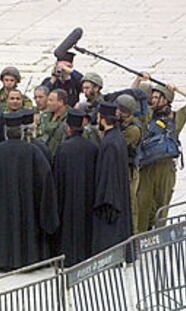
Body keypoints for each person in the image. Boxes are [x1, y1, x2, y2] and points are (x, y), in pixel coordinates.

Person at [0, 111, 59, 270]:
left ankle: (1, 260)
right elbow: (46, 181)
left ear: (5, 132)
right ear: (23, 131)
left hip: (0, 210)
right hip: (28, 211)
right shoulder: (34, 152)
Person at [137, 83, 186, 232]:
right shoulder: (147, 115)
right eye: (151, 97)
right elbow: (130, 100)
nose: (153, 100)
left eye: (157, 97)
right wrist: (139, 80)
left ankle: (158, 235)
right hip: (146, 167)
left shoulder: (176, 117)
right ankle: (140, 239)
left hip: (166, 168)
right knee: (143, 204)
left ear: (166, 100)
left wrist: (177, 89)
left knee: (162, 204)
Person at [54, 108, 98, 266]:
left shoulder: (63, 148)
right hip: (87, 196)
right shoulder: (92, 148)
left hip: (68, 198)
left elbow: (57, 176)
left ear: (68, 128)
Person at [92, 101, 132, 255]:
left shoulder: (109, 143)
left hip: (111, 199)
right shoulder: (117, 137)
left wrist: (104, 200)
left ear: (102, 119)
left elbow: (108, 176)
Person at [116, 95, 142, 233]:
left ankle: (134, 234)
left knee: (131, 204)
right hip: (123, 168)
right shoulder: (123, 124)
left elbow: (120, 145)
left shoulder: (133, 129)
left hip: (130, 171)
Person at [37, 89, 68, 155]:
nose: (48, 103)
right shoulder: (45, 115)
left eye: (51, 100)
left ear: (60, 102)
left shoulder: (69, 117)